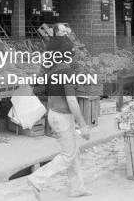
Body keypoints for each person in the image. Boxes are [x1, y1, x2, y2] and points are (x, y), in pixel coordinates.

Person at [28, 23, 91, 200]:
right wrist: (84, 125)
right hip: (62, 117)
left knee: (72, 153)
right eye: (72, 51)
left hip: (54, 113)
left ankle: (77, 188)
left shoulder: (53, 69)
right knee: (68, 155)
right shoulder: (67, 72)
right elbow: (72, 101)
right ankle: (37, 179)